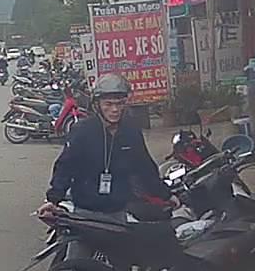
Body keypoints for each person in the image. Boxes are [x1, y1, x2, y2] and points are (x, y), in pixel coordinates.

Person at [37, 74, 176, 235]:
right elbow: (65, 167)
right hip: (85, 212)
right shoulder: (82, 131)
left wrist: (166, 195)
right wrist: (53, 200)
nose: (115, 110)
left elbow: (145, 168)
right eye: (108, 104)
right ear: (97, 105)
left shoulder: (131, 132)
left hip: (118, 212)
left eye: (119, 103)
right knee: (76, 251)